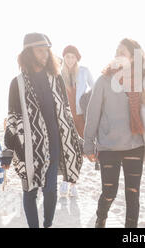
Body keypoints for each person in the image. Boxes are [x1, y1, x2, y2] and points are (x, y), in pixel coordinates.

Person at [0, 33, 83, 228]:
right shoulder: (17, 83)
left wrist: (75, 139)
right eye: (40, 50)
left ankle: (47, 224)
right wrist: (8, 150)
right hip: (28, 146)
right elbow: (13, 118)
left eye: (47, 50)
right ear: (29, 53)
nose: (45, 54)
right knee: (29, 190)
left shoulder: (56, 79)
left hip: (54, 143)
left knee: (51, 190)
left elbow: (65, 112)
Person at [83, 38, 145, 228]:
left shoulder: (141, 80)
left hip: (135, 144)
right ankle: (101, 217)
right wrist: (88, 143)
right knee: (109, 192)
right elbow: (92, 113)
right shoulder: (104, 80)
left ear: (133, 58)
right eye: (117, 51)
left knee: (133, 194)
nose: (118, 55)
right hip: (109, 146)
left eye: (122, 52)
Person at [59, 45, 94, 197]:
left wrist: (87, 100)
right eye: (67, 57)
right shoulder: (59, 73)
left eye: (73, 57)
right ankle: (66, 180)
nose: (70, 60)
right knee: (66, 150)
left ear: (77, 58)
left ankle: (73, 183)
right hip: (64, 117)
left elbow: (96, 89)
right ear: (64, 58)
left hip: (80, 117)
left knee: (78, 151)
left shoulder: (84, 71)